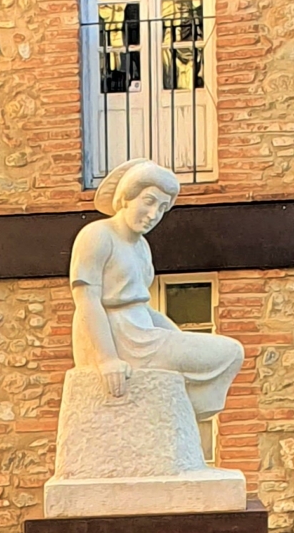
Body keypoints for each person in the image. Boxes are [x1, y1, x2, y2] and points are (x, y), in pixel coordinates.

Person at [68, 159, 244, 428]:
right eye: (148, 201)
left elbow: (144, 307)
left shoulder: (142, 247)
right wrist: (107, 359)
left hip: (142, 331)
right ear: (126, 197)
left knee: (231, 352)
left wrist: (177, 337)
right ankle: (174, 412)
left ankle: (176, 413)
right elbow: (87, 300)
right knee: (228, 352)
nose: (153, 214)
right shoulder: (96, 235)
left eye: (162, 208)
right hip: (118, 337)